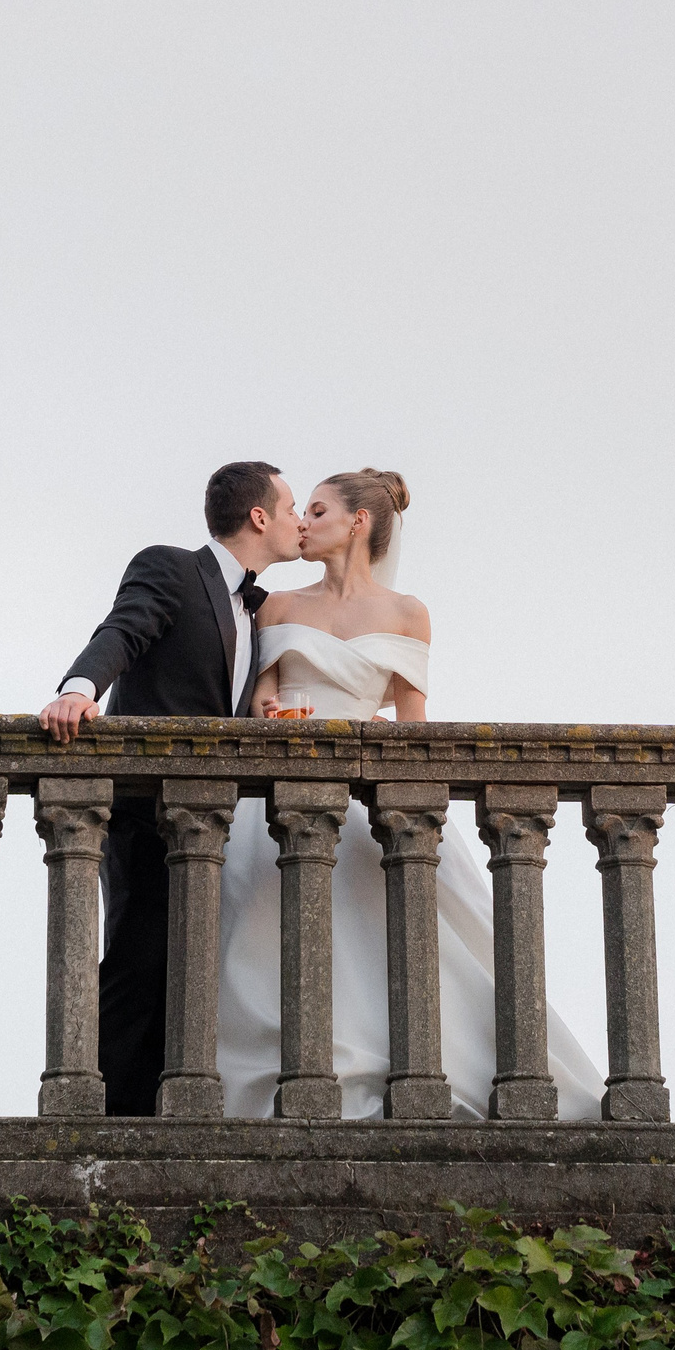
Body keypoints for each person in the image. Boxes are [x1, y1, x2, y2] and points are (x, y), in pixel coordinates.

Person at [216, 468, 605, 1119]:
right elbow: (261, 700)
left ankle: (402, 1067)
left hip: (369, 797)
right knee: (263, 938)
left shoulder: (407, 613)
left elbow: (412, 721)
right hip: (284, 794)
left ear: (359, 522)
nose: (302, 522)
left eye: (317, 510)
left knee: (400, 933)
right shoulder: (278, 606)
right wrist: (274, 711)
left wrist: (377, 737)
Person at [40, 461, 304, 1115]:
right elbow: (122, 631)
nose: (300, 520)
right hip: (144, 814)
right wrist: (79, 690)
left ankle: (154, 1114)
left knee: (187, 971)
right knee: (139, 961)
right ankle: (101, 1121)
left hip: (215, 824)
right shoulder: (172, 568)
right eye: (293, 506)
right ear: (259, 516)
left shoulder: (262, 608)